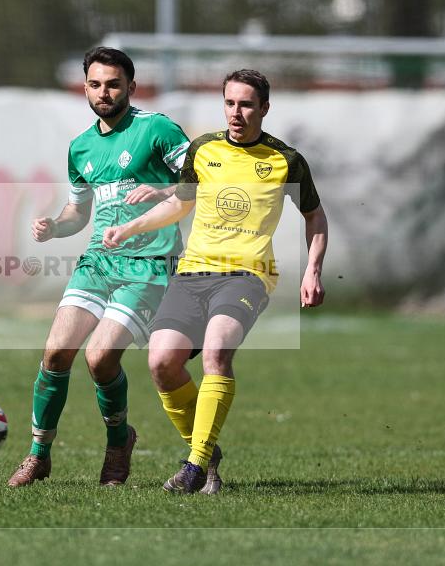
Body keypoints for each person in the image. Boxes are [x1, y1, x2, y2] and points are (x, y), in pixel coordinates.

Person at [103, 69, 328, 494]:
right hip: (193, 273)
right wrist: (130, 229)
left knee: (216, 355)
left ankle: (193, 466)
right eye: (229, 103)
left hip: (247, 275)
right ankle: (206, 453)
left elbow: (314, 217)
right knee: (161, 363)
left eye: (246, 104)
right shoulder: (204, 149)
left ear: (264, 107)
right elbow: (179, 204)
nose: (236, 113)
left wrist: (313, 268)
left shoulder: (286, 160)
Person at [7, 47, 190, 487]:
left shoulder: (157, 129)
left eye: (112, 83)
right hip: (97, 262)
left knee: (100, 358)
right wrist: (54, 226)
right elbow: (78, 211)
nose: (103, 92)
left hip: (148, 264)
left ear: (131, 85)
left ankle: (117, 442)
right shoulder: (81, 146)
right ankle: (38, 455)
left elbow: (199, 183)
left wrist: (162, 190)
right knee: (55, 353)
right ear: (85, 87)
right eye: (95, 84)